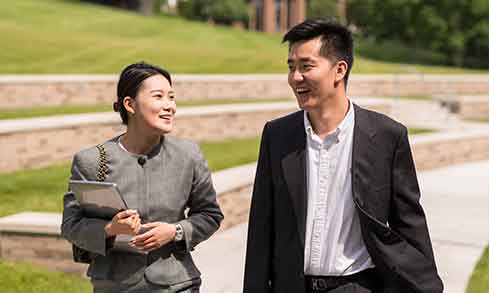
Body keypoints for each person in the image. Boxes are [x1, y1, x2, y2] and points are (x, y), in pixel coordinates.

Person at [243, 19, 443, 293]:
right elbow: (261, 229)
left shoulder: (387, 137)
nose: (295, 77)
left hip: (357, 287)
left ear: (339, 70)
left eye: (306, 66)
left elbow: (410, 225)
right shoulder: (277, 135)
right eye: (291, 67)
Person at [61, 62, 223, 293]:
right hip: (115, 286)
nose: (169, 106)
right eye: (158, 97)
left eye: (171, 97)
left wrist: (174, 231)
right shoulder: (92, 161)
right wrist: (110, 229)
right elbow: (71, 225)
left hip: (177, 284)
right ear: (130, 104)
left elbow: (210, 214)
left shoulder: (188, 155)